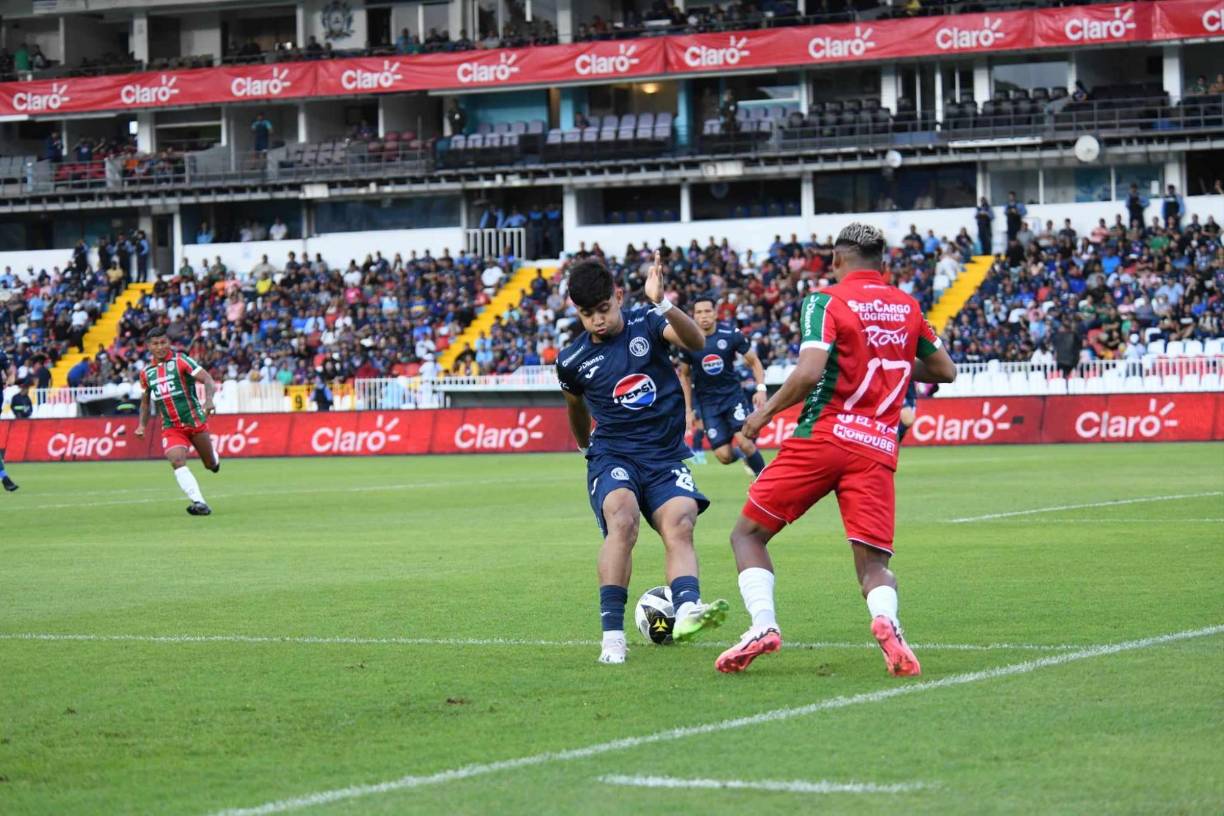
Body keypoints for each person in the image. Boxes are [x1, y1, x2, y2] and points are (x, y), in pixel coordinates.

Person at [714, 223, 957, 677]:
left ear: (836, 260)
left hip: (823, 438)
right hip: (877, 447)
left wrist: (763, 416)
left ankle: (763, 625)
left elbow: (809, 372)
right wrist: (889, 358)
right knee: (873, 563)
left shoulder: (825, 300)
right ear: (882, 263)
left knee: (747, 535)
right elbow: (945, 370)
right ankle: (886, 620)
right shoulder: (907, 306)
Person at [556, 254, 729, 665]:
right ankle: (612, 637)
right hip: (614, 453)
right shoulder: (572, 361)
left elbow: (696, 342)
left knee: (681, 520)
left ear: (618, 296)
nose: (597, 321)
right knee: (622, 518)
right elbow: (575, 408)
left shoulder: (648, 322)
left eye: (603, 309)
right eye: (587, 314)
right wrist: (585, 447)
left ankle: (687, 609)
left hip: (664, 455)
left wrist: (663, 302)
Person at [677, 297, 768, 476]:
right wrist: (687, 409)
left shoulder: (731, 334)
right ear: (693, 316)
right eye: (699, 312)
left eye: (707, 311)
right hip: (707, 404)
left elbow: (754, 361)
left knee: (745, 442)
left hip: (732, 398)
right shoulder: (687, 341)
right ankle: (743, 456)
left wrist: (761, 389)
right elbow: (685, 375)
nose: (703, 316)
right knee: (724, 456)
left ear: (715, 313)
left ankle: (765, 481)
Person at [134, 327, 220, 516]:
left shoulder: (181, 361)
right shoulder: (146, 373)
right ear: (149, 347)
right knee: (176, 460)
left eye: (163, 342)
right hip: (171, 427)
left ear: (169, 343)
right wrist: (141, 425)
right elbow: (145, 402)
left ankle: (213, 458)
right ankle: (199, 502)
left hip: (194, 421)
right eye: (155, 344)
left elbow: (207, 379)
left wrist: (209, 400)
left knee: (211, 465)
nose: (160, 347)